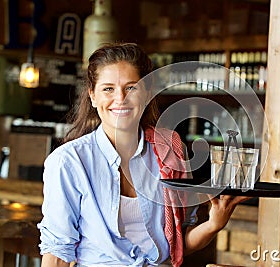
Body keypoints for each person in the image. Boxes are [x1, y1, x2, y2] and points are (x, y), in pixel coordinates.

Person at [38, 42, 250, 267]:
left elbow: (179, 245)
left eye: (131, 88)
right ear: (92, 96)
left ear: (147, 93)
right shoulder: (69, 162)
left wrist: (214, 224)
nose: (120, 98)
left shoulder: (169, 151)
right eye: (108, 89)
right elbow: (58, 252)